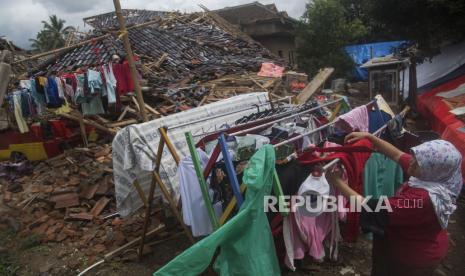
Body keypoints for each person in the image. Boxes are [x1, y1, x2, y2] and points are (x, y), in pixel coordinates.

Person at [326, 132, 463, 276]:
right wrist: (370, 137)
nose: (411, 162)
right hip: (420, 241)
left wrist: (337, 182)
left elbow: (370, 206)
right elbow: (397, 155)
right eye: (415, 158)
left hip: (410, 258)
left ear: (432, 170)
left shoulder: (422, 200)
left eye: (417, 164)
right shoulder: (438, 177)